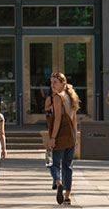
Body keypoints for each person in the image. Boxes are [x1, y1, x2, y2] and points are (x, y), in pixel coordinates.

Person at [47, 72, 79, 205]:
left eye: (55, 82)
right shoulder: (72, 96)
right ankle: (67, 196)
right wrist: (76, 137)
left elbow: (58, 119)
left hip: (61, 135)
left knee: (53, 163)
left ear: (63, 83)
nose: (52, 85)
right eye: (51, 82)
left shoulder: (58, 98)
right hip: (71, 136)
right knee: (68, 166)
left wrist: (53, 137)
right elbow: (74, 119)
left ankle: (58, 183)